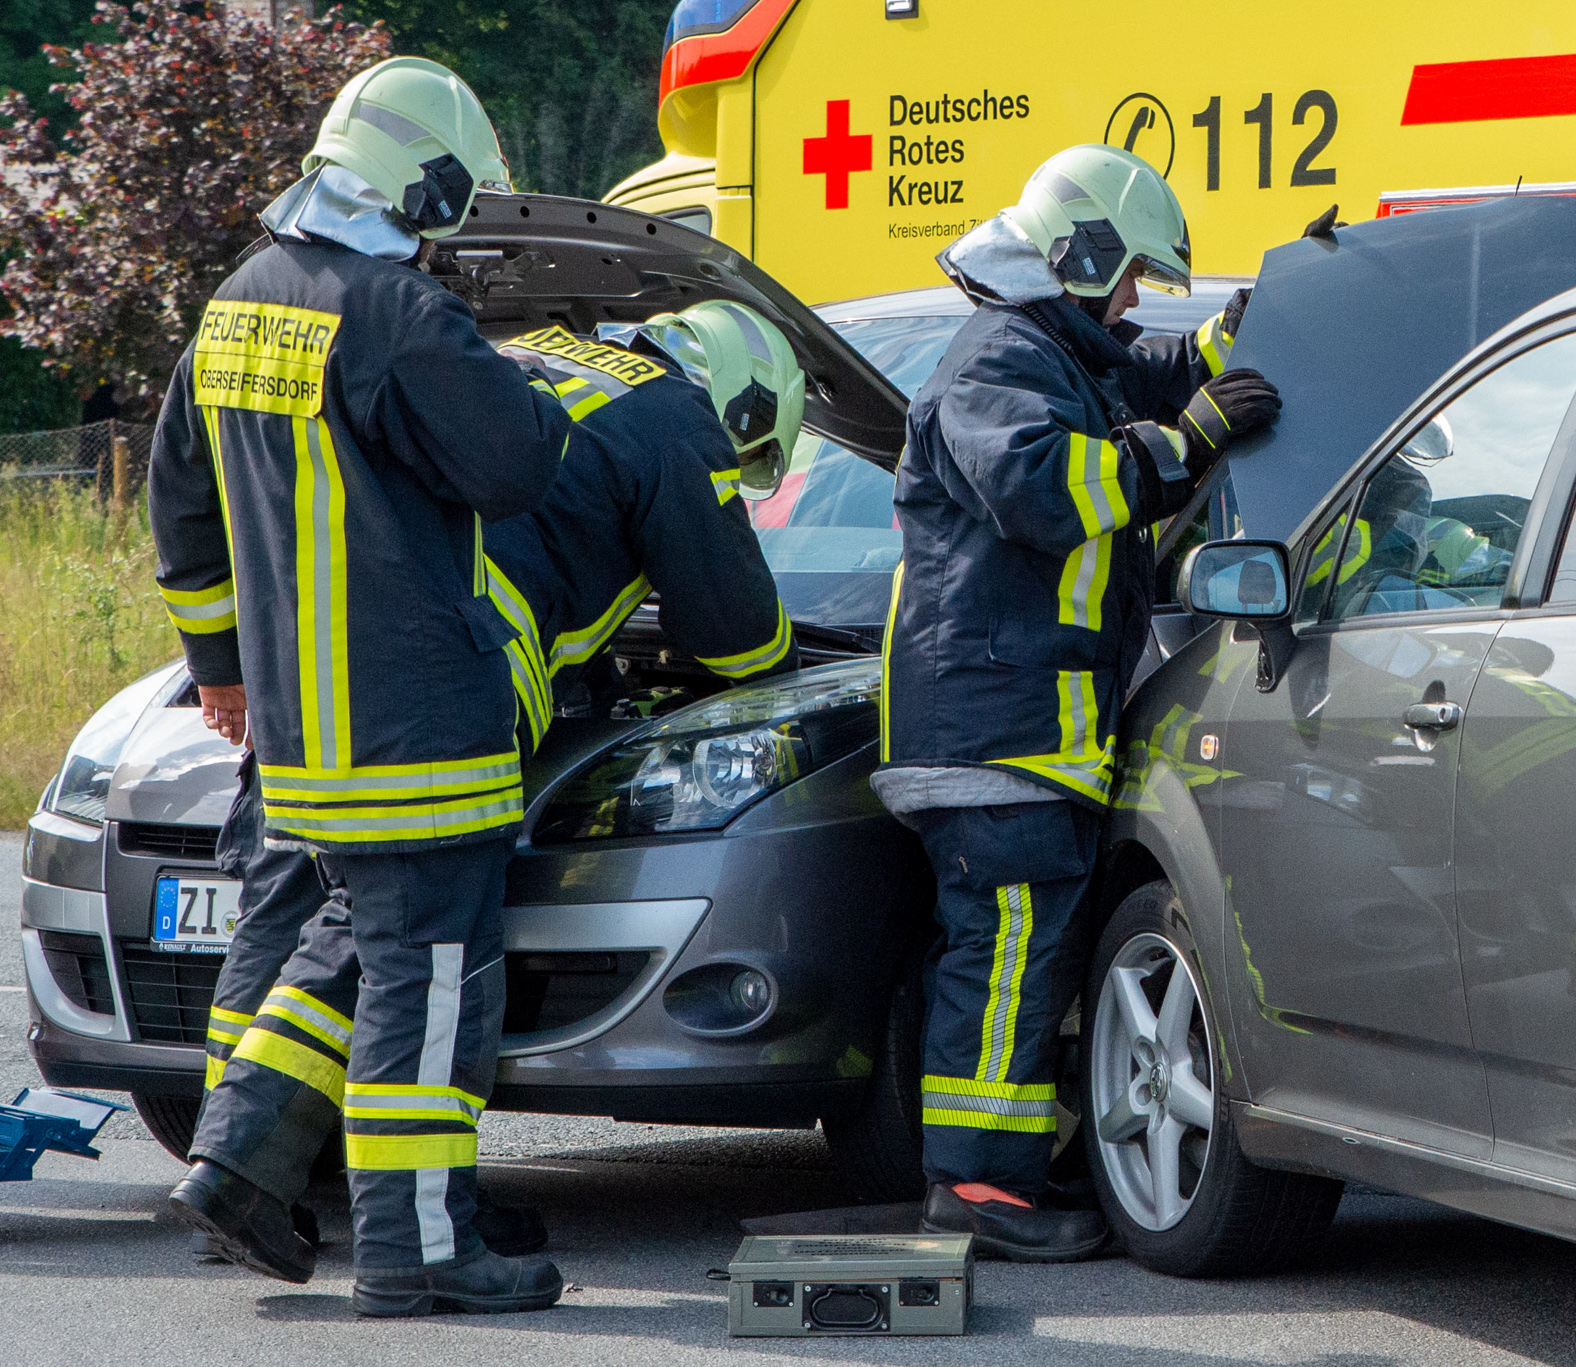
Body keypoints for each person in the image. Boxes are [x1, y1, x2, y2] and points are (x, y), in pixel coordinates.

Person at [187, 300, 804, 1275]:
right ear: (743, 402)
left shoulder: (524, 354)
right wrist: (778, 668)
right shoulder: (673, 414)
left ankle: (256, 1172)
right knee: (414, 941)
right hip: (443, 687)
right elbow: (739, 636)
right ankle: (299, 1185)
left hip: (310, 657)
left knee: (294, 908)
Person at [149, 55, 579, 1317]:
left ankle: (240, 1162)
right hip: (416, 721)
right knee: (428, 988)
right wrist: (539, 382)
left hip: (302, 736)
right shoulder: (396, 311)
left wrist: (222, 667)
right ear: (424, 187)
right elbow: (517, 465)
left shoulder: (239, 301)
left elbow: (182, 504)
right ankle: (418, 1248)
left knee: (365, 951)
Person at [875, 144, 1281, 1261]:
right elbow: (1045, 487)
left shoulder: (1046, 347)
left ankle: (996, 1170)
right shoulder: (999, 358)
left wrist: (1228, 338)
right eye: (1129, 273)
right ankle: (975, 1187)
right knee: (1002, 959)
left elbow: (1139, 372)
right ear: (1080, 254)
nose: (1135, 297)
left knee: (1014, 959)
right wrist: (1187, 441)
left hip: (1012, 729)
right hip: (994, 731)